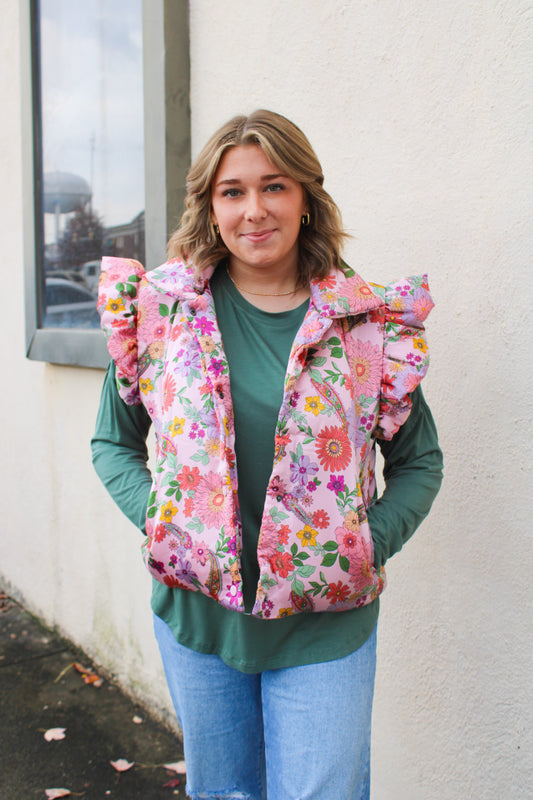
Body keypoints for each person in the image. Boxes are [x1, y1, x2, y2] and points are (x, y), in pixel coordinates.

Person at [91, 109, 443, 800]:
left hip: (324, 624)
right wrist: (165, 522)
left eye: (273, 186)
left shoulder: (362, 325)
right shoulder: (162, 311)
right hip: (197, 615)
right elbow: (113, 441)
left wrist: (365, 542)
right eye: (232, 191)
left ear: (305, 197)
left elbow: (418, 463)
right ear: (209, 205)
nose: (254, 210)